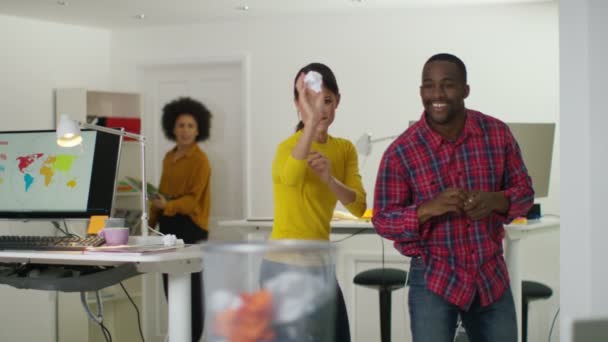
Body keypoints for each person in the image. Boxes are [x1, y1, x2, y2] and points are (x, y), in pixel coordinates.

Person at [372, 53, 534, 342]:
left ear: (465, 90)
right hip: (433, 277)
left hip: (489, 275)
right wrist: (427, 209)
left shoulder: (496, 134)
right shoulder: (401, 151)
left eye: (447, 85)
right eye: (429, 85)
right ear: (421, 91)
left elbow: (524, 193)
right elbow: (383, 220)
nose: (437, 94)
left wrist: (495, 200)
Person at [264, 62, 367, 342]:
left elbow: (358, 206)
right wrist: (310, 124)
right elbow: (291, 178)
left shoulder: (343, 149)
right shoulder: (287, 148)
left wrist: (330, 179)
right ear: (297, 104)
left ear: (338, 102)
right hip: (283, 267)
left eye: (327, 101)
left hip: (321, 266)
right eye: (310, 101)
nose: (321, 109)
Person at [149, 96, 212, 342]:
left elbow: (193, 200)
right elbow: (162, 193)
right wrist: (150, 222)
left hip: (192, 227)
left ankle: (192, 337)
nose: (185, 131)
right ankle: (178, 335)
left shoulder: (200, 160)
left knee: (193, 290)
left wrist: (169, 205)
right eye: (181, 125)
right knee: (171, 286)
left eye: (190, 126)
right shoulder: (168, 157)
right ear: (172, 128)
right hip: (169, 226)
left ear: (199, 130)